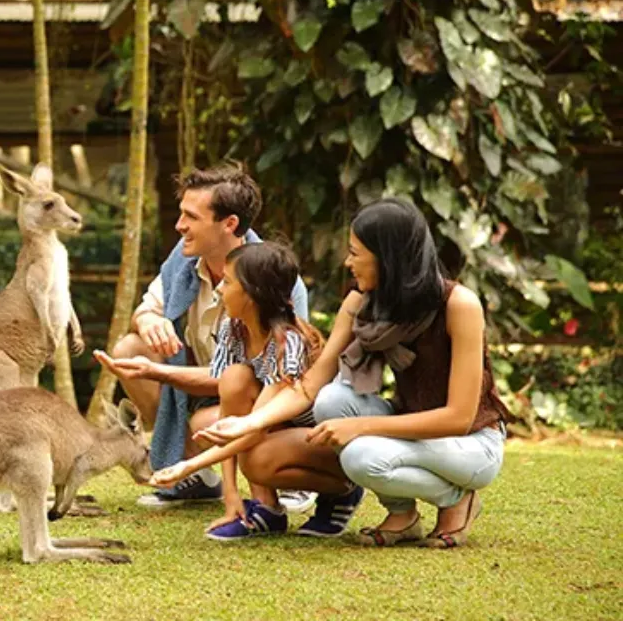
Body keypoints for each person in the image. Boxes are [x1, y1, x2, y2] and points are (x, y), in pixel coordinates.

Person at [196, 198, 513, 546]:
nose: (348, 262)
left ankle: (458, 499)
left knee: (361, 458)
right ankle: (403, 514)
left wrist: (360, 426)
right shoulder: (361, 302)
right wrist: (249, 423)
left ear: (387, 257)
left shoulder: (459, 305)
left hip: (471, 443)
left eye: (355, 252)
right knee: (332, 400)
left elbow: (459, 418)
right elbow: (311, 385)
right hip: (413, 427)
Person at [99, 167, 311, 510]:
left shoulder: (271, 275)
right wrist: (151, 320)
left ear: (229, 224)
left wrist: (157, 372)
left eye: (190, 216)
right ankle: (196, 479)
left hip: (263, 394)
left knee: (217, 408)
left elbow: (280, 377)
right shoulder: (182, 263)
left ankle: (287, 473)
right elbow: (147, 308)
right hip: (207, 382)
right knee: (130, 347)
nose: (179, 225)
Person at [112, 242, 324, 540]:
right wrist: (231, 496)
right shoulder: (233, 329)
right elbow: (228, 399)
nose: (220, 290)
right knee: (233, 380)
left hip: (308, 436)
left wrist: (188, 466)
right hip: (263, 423)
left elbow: (256, 425)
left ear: (252, 294)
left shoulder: (287, 343)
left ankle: (338, 495)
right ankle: (263, 508)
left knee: (255, 454)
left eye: (228, 282)